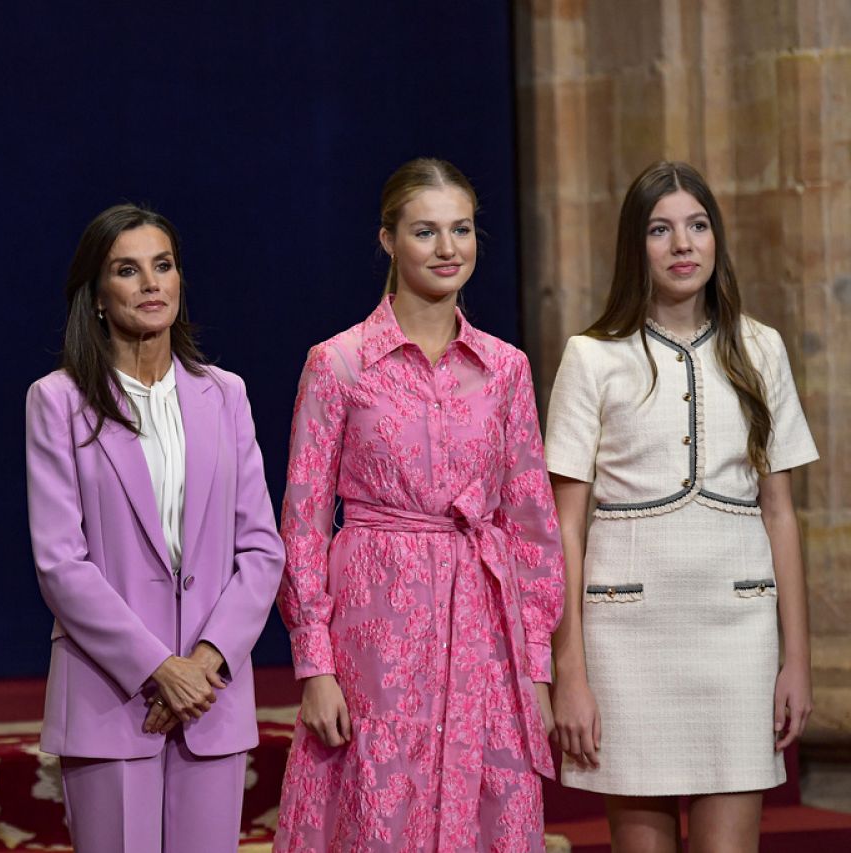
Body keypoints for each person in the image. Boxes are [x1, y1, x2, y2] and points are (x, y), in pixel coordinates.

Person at [273, 158, 565, 852]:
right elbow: (303, 523)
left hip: (485, 636)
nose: (447, 248)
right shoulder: (339, 363)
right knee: (378, 812)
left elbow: (532, 525)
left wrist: (536, 667)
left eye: (460, 229)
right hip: (375, 632)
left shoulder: (506, 368)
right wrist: (316, 666)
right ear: (388, 240)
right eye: (425, 231)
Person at [545, 161, 818, 851]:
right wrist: (568, 673)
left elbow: (780, 513)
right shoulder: (591, 357)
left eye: (697, 225)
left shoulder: (761, 348)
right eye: (660, 229)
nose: (682, 244)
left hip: (738, 632)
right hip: (625, 639)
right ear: (634, 245)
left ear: (716, 237)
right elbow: (565, 527)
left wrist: (797, 658)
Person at [24, 204, 284, 853]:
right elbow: (60, 562)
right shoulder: (57, 400)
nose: (150, 283)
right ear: (97, 296)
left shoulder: (225, 394)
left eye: (162, 266)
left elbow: (260, 548)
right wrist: (158, 668)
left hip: (211, 697)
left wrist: (204, 663)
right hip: (111, 699)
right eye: (127, 270)